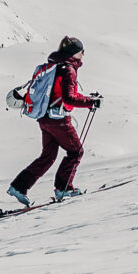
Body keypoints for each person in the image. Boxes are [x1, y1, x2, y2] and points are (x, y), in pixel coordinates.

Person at [7, 36, 102, 205]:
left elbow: (61, 95)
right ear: (75, 53)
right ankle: (63, 188)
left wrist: (86, 98)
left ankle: (19, 186)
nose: (83, 55)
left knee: (48, 156)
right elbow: (69, 98)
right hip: (58, 119)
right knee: (76, 152)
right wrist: (90, 102)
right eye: (82, 52)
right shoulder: (68, 69)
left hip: (44, 117)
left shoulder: (54, 65)